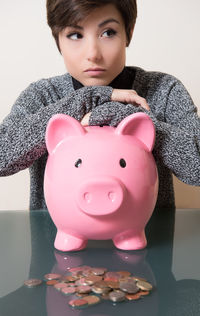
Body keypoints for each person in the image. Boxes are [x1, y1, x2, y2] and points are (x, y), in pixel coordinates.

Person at [0, 0, 199, 211]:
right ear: (58, 40)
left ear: (128, 33)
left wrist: (118, 115)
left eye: (108, 33)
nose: (93, 54)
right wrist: (91, 97)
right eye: (75, 35)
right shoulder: (43, 95)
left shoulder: (163, 90)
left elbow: (197, 168)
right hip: (57, 240)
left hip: (149, 239)